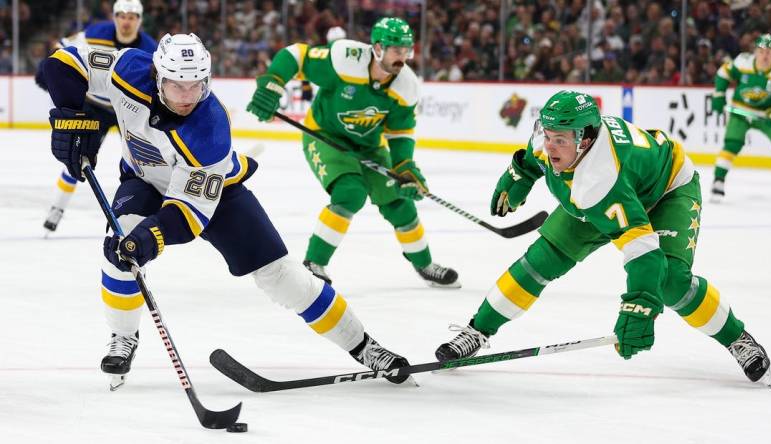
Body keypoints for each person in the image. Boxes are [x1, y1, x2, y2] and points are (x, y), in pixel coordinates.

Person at [40, 33, 410, 390]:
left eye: (197, 84)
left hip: (217, 196)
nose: (188, 96)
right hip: (143, 181)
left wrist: (150, 238)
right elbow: (63, 64)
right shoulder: (129, 68)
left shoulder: (210, 130)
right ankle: (123, 337)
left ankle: (363, 345)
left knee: (281, 276)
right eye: (178, 85)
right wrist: (71, 115)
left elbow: (187, 216)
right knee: (119, 248)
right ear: (157, 76)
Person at [434, 90, 771, 388]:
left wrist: (639, 305)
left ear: (584, 140)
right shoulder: (557, 139)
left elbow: (642, 251)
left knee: (670, 282)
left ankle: (737, 339)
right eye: (547, 135)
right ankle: (477, 330)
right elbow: (535, 158)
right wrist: (520, 173)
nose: (550, 145)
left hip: (668, 191)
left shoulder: (599, 179)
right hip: (616, 189)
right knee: (540, 260)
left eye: (560, 141)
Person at [247, 17, 460, 288]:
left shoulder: (406, 86)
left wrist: (405, 166)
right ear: (379, 48)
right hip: (325, 136)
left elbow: (400, 133)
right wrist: (273, 83)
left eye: (407, 50)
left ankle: (425, 264)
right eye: (397, 50)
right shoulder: (344, 60)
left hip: (369, 145)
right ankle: (314, 262)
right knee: (350, 193)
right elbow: (296, 55)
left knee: (399, 202)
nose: (403, 57)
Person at [38, 0, 158, 233]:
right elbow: (61, 49)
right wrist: (53, 78)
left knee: (143, 161)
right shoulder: (95, 34)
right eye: (122, 16)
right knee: (76, 154)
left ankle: (140, 211)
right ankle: (57, 208)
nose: (126, 21)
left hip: (129, 109)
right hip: (95, 107)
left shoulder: (149, 48)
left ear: (139, 21)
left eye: (131, 17)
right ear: (114, 17)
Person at [710, 33, 771, 202]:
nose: (765, 56)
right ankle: (718, 181)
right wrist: (718, 95)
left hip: (765, 114)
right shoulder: (742, 62)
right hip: (741, 111)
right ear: (755, 52)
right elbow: (723, 74)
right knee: (732, 143)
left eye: (769, 52)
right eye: (761, 51)